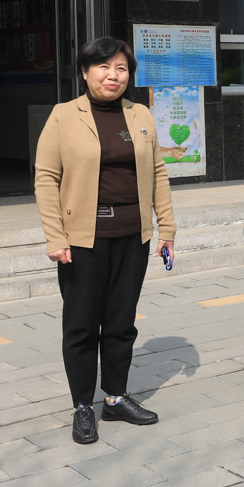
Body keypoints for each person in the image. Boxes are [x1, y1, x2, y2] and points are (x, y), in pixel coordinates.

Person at [35, 37, 176, 445]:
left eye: (121, 68)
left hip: (133, 237)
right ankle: (83, 406)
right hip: (83, 240)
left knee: (121, 323)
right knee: (81, 325)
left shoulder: (140, 114)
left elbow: (158, 173)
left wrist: (166, 229)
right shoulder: (63, 116)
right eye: (103, 67)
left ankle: (115, 398)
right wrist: (55, 236)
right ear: (85, 72)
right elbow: (46, 178)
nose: (113, 76)